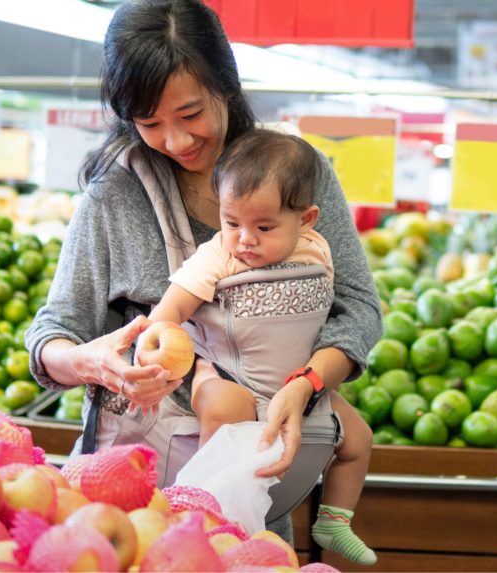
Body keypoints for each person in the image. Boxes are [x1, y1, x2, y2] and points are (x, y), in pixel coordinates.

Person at [24, 0, 382, 538]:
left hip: (257, 495)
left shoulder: (297, 174)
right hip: (133, 498)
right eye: (150, 123)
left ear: (226, 82)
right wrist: (89, 361)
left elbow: (358, 307)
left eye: (191, 115)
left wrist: (306, 384)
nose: (176, 140)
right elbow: (53, 332)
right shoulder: (114, 195)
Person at [140, 128, 375, 564]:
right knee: (226, 417)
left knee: (358, 438)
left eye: (263, 227)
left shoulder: (316, 250)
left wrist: (312, 381)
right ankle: (209, 513)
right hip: (232, 376)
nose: (244, 239)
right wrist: (155, 348)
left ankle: (335, 520)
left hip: (299, 383)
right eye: (232, 223)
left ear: (306, 220)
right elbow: (167, 313)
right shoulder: (218, 256)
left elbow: (358, 309)